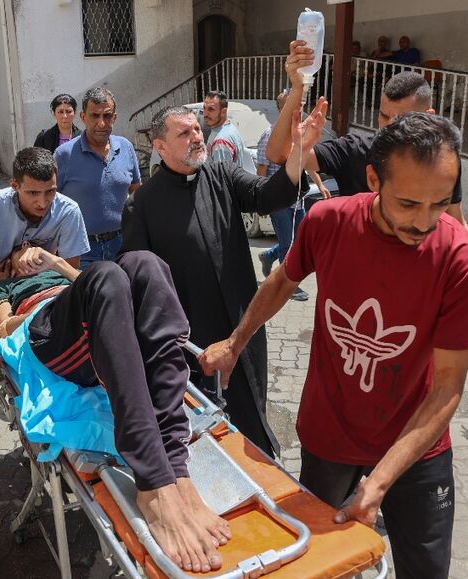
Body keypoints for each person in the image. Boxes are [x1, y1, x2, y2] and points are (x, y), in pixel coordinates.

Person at [201, 113, 468, 579]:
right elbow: (282, 281)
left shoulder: (465, 262)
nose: (424, 222)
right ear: (374, 179)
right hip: (330, 432)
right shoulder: (328, 220)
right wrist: (235, 343)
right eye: (408, 204)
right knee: (322, 566)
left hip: (416, 449)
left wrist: (379, 482)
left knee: (426, 569)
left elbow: (446, 391)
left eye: (440, 204)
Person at [0, 244, 231, 574]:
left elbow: (106, 290)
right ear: (9, 266)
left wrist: (58, 265)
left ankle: (176, 468)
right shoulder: (5, 287)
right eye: (21, 253)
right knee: (104, 275)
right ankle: (154, 485)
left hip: (98, 313)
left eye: (34, 248)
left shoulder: (60, 271)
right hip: (47, 334)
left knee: (146, 263)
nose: (29, 255)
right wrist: (29, 305)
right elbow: (5, 327)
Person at [121, 101, 327, 458]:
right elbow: (137, 279)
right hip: (189, 341)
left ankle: (263, 476)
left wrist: (299, 152)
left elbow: (267, 195)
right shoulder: (142, 206)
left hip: (242, 329)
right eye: (184, 133)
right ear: (160, 147)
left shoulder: (222, 175)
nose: (196, 137)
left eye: (197, 129)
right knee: (205, 433)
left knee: (251, 418)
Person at [269, 46, 467, 225]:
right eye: (384, 115)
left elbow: (456, 221)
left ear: (427, 116)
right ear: (372, 179)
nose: (389, 126)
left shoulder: (442, 162)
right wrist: (297, 88)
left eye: (400, 119)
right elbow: (279, 154)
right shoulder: (354, 151)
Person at [0, 147, 89, 282]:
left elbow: (71, 265)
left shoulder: (69, 212)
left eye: (50, 191)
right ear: (15, 185)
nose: (43, 203)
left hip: (44, 283)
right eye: (33, 193)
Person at [256, 90, 329, 302]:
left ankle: (268, 255)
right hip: (279, 201)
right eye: (293, 105)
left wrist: (321, 185)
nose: (299, 109)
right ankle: (287, 287)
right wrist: (262, 202)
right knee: (288, 243)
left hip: (298, 199)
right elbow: (262, 171)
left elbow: (306, 161)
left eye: (300, 104)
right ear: (282, 110)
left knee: (299, 241)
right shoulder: (269, 137)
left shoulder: (301, 133)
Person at [54, 87, 140, 267]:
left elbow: (137, 192)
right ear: (83, 117)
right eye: (95, 116)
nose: (101, 123)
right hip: (81, 251)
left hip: (122, 245)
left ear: (114, 117)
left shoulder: (125, 147)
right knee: (90, 295)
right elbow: (51, 202)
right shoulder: (64, 155)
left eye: (107, 116)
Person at [202, 90, 250, 170]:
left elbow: (222, 178)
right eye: (204, 108)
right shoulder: (229, 128)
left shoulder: (220, 143)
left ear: (223, 112)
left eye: (211, 109)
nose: (205, 113)